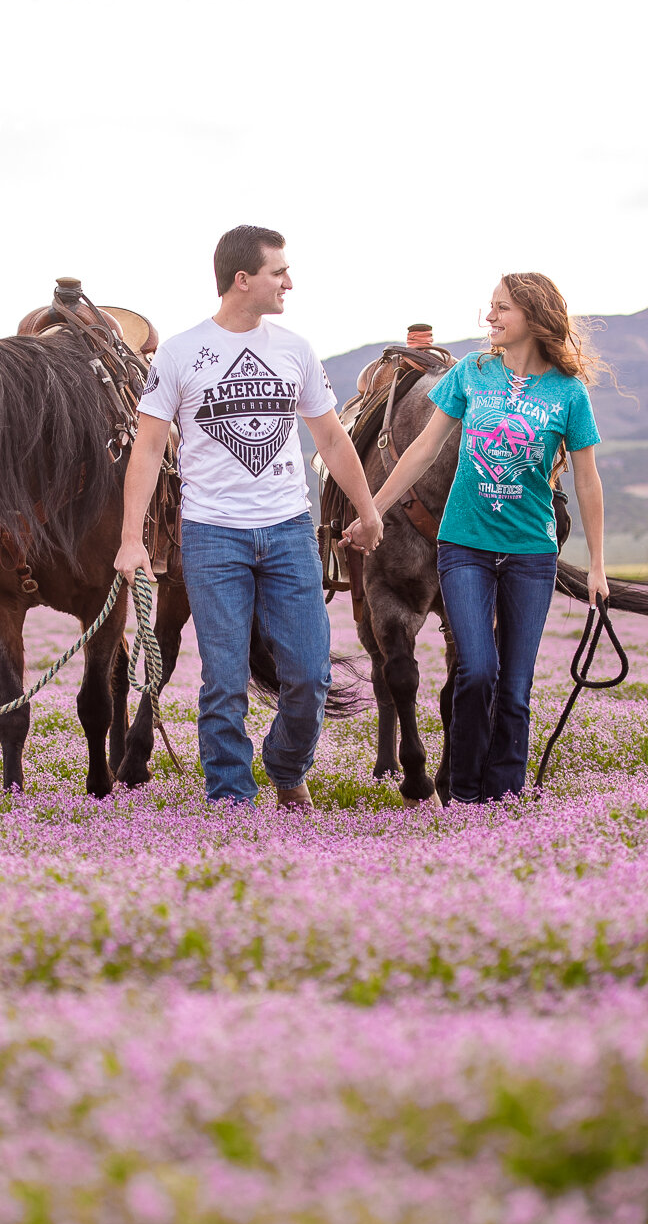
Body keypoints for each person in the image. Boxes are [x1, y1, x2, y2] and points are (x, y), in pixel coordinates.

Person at [116, 226, 384, 807]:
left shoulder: (295, 349)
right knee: (224, 682)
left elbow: (333, 440)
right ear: (243, 280)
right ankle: (232, 800)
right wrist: (131, 539)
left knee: (311, 675)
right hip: (213, 536)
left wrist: (368, 510)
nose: (289, 281)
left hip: (289, 530)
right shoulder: (181, 352)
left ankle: (287, 768)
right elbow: (146, 446)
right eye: (278, 271)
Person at [351, 272, 609, 804]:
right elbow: (422, 449)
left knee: (515, 687)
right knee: (476, 671)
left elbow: (586, 479)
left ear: (535, 318)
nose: (489, 318)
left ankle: (503, 796)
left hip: (530, 552)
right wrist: (373, 510)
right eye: (490, 308)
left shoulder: (568, 392)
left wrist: (598, 567)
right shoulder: (471, 372)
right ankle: (465, 796)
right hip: (464, 545)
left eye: (502, 309)